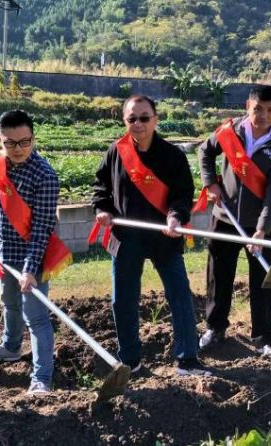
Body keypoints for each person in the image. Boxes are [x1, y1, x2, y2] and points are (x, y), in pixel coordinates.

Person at [90, 95, 210, 377]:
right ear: (124, 121)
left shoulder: (173, 156)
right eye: (132, 119)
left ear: (155, 119)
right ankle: (130, 361)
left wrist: (175, 217)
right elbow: (101, 188)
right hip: (126, 238)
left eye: (144, 118)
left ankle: (187, 359)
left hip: (163, 238)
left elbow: (182, 195)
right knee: (124, 300)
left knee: (180, 295)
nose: (138, 124)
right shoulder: (115, 152)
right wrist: (103, 209)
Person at [0, 109, 71, 395]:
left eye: (24, 142)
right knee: (9, 303)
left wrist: (31, 269)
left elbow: (42, 229)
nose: (17, 149)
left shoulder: (45, 176)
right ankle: (11, 347)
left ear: (33, 138)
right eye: (10, 143)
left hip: (36, 257)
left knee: (37, 317)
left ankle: (42, 377)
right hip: (5, 254)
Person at [197, 85, 271, 359]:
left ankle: (265, 338)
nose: (264, 115)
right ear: (247, 106)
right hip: (224, 220)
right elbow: (205, 152)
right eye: (258, 109)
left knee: (263, 281)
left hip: (260, 226)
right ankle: (215, 328)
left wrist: (262, 229)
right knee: (218, 276)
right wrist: (210, 183)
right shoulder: (230, 132)